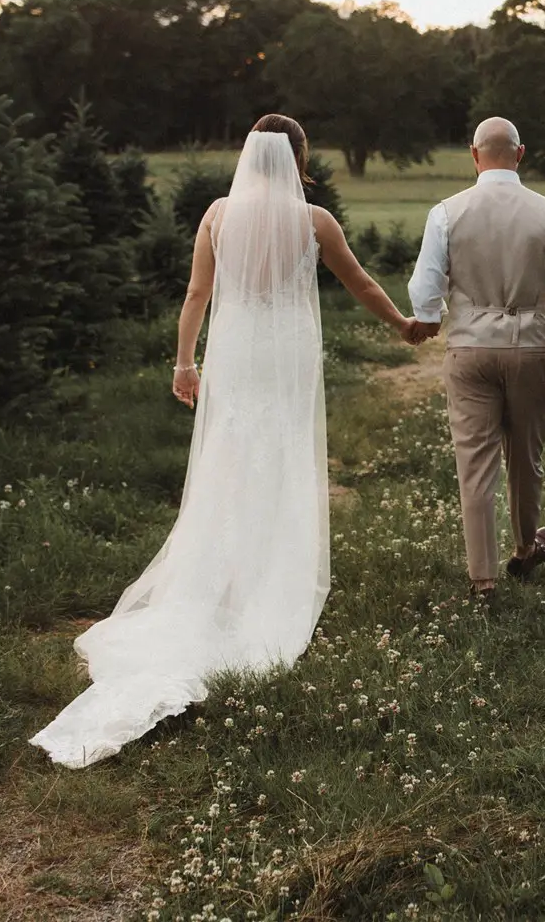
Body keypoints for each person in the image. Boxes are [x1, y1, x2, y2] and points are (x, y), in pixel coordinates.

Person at [32, 116, 411, 768]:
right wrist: (404, 325)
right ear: (297, 159)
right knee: (282, 457)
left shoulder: (217, 214)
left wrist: (185, 362)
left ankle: (224, 579)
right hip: (285, 352)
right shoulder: (314, 222)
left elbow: (197, 292)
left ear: (248, 158)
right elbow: (362, 284)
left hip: (235, 351)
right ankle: (266, 577)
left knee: (230, 458)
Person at [404, 118, 545, 600]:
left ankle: (483, 579)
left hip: (469, 348)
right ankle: (526, 549)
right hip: (532, 347)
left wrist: (431, 318)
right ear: (520, 154)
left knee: (475, 463)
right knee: (525, 457)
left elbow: (425, 284)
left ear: (474, 154)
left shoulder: (446, 213)